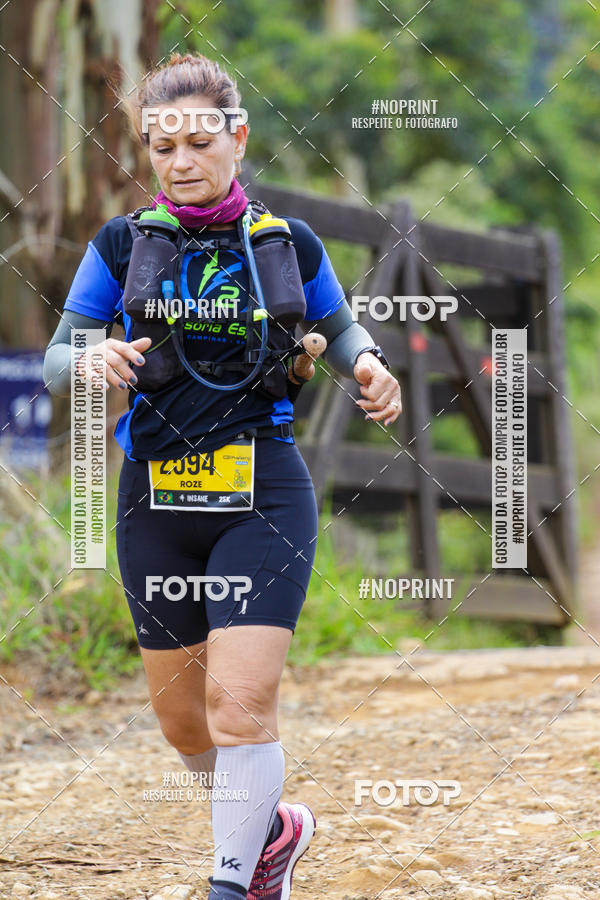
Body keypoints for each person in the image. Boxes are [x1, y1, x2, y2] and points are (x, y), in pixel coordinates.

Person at [43, 53, 402, 900]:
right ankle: (270, 828)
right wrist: (92, 358)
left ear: (238, 139)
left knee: (239, 710)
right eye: (161, 147)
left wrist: (370, 366)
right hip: (155, 500)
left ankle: (233, 883)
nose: (180, 162)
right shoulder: (120, 245)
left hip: (263, 497)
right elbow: (60, 358)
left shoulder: (285, 244)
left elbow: (341, 329)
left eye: (199, 142)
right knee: (184, 722)